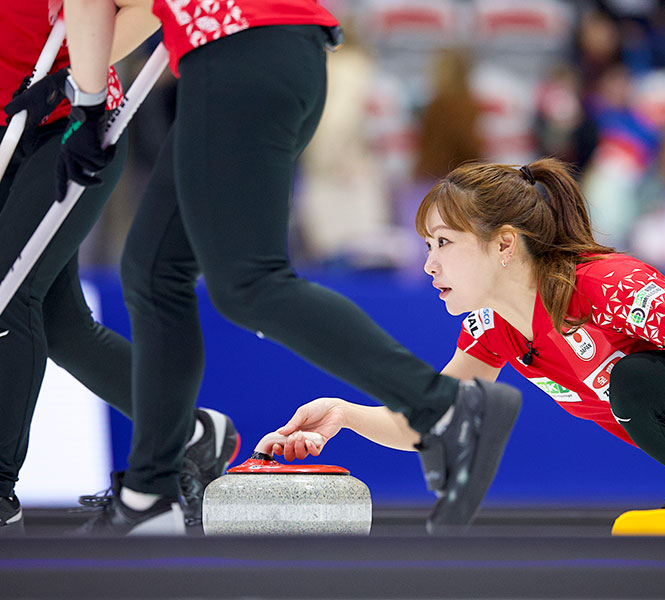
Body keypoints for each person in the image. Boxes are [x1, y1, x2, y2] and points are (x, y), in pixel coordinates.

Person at [60, 0, 521, 535]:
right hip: (270, 49)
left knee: (248, 281)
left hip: (238, 49)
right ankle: (151, 492)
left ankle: (442, 407)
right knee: (152, 271)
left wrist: (87, 101)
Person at [263, 158, 665, 526]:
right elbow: (429, 420)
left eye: (443, 244)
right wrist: (344, 416)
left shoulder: (605, 284)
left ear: (505, 243)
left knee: (638, 381)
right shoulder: (493, 328)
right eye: (427, 247)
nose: (429, 266)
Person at [0, 1, 237, 535]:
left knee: (7, 292)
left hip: (71, 124)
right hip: (8, 128)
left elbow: (149, 10)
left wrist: (69, 84)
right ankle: (190, 433)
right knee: (58, 325)